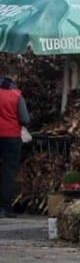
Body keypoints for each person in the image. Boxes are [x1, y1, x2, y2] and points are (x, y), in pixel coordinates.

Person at [0, 65, 29, 219]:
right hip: (11, 136)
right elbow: (25, 119)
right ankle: (4, 209)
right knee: (8, 173)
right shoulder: (17, 95)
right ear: (14, 78)